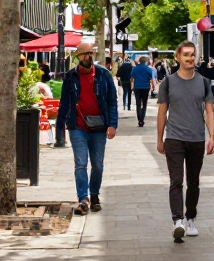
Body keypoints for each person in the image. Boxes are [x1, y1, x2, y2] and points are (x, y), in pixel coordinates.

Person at [155, 41, 214, 243]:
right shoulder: (168, 82)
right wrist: (159, 139)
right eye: (186, 55)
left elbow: (209, 111)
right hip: (174, 138)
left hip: (197, 138)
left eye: (192, 55)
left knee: (194, 181)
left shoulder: (204, 82)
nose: (190, 58)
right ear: (177, 58)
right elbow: (162, 113)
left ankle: (191, 218)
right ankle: (177, 221)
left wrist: (212, 136)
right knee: (176, 181)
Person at [56, 42, 118, 215]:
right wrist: (60, 126)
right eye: (84, 54)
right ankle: (83, 198)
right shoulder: (70, 77)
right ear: (78, 57)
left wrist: (112, 124)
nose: (87, 57)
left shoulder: (103, 74)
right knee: (81, 164)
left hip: (99, 127)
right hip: (78, 127)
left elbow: (112, 101)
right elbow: (65, 102)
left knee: (97, 165)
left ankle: (95, 195)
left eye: (90, 53)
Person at [131, 55, 157, 127]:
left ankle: (139, 119)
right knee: (144, 103)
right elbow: (152, 79)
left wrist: (132, 87)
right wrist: (154, 88)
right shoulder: (148, 69)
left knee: (138, 103)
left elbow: (132, 77)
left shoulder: (135, 68)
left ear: (140, 61)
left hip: (137, 87)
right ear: (146, 62)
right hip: (145, 87)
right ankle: (142, 119)